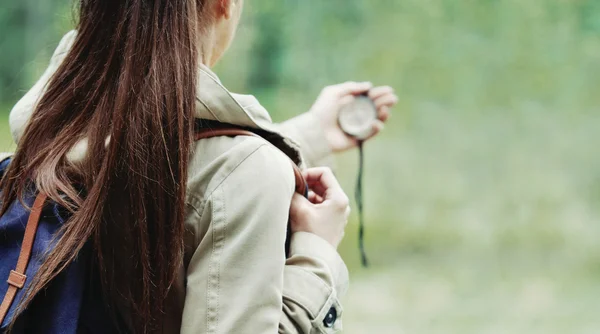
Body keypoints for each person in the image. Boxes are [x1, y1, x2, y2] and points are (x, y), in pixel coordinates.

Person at [1, 0, 398, 333]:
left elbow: (164, 158)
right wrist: (317, 255)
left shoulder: (48, 126)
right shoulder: (247, 175)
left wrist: (310, 134)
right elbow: (215, 177)